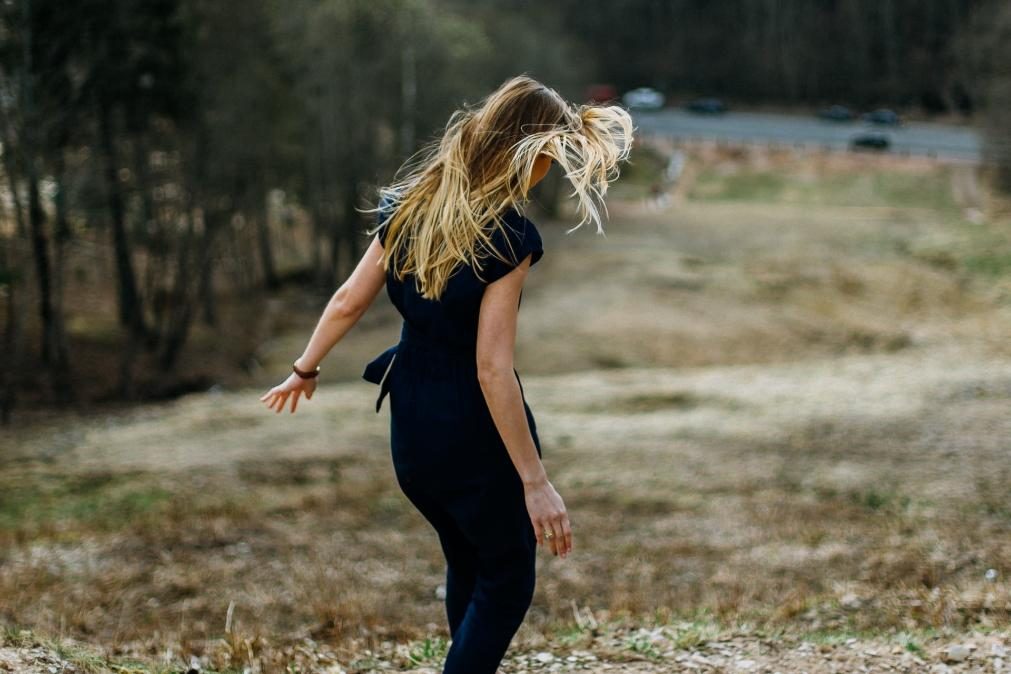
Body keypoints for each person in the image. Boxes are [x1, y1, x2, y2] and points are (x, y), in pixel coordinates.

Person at [259, 75, 633, 673]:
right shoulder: (510, 237)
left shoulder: (408, 205)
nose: (545, 174)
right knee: (508, 578)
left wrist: (304, 369)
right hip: (470, 430)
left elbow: (348, 300)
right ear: (521, 150)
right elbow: (492, 369)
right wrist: (536, 483)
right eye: (546, 159)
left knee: (468, 559)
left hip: (411, 426)